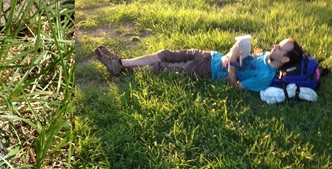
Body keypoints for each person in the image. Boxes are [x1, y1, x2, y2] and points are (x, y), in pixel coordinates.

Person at [94, 38, 304, 92]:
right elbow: (240, 55)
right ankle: (120, 63)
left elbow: (234, 86)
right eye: (278, 44)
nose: (275, 46)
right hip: (209, 55)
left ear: (285, 59)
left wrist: (231, 63)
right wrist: (234, 51)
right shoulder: (266, 54)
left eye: (280, 47)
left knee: (161, 66)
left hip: (208, 70)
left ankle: (119, 65)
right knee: (164, 54)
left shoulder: (265, 78)